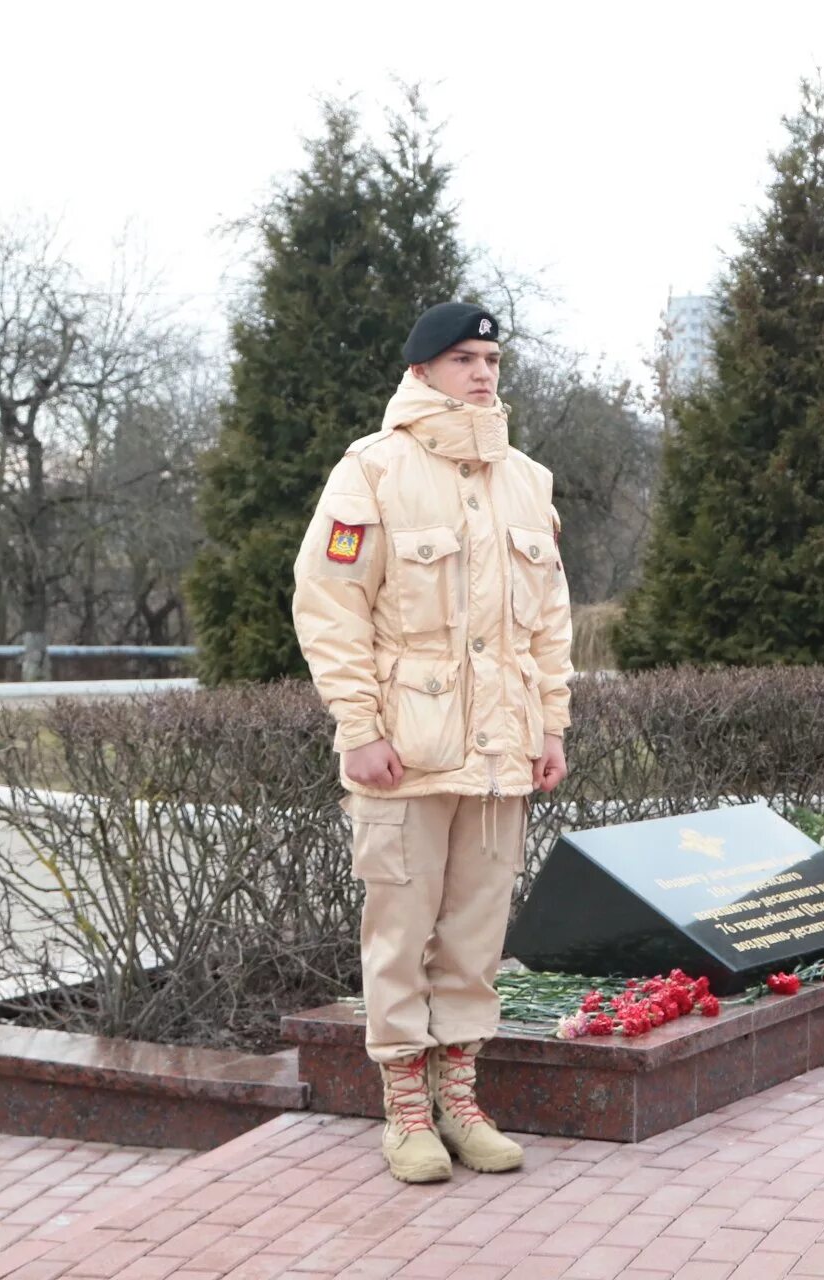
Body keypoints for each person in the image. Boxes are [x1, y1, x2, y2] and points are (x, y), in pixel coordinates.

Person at [292, 301, 573, 1183]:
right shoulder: (371, 472)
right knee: (399, 928)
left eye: (491, 357)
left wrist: (551, 724)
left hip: (500, 754)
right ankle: (405, 1109)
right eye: (462, 358)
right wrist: (358, 727)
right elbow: (329, 609)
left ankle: (460, 1096)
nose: (483, 373)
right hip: (404, 753)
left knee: (476, 935)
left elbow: (550, 624)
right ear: (420, 372)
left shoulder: (529, 478)